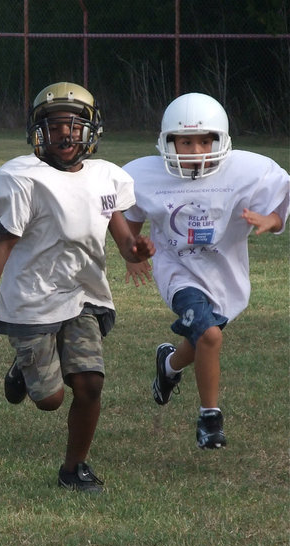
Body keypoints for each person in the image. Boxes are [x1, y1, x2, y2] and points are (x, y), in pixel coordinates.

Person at [0, 82, 155, 493]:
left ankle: (74, 469)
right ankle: (23, 367)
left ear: (91, 130)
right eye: (55, 126)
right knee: (49, 400)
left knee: (89, 384)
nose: (65, 134)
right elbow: (2, 245)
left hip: (82, 295)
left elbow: (121, 238)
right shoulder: (25, 178)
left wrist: (135, 249)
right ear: (38, 132)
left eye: (73, 125)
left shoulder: (105, 177)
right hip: (31, 300)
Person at [122, 92, 289, 450]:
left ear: (221, 140)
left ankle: (168, 365)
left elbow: (281, 202)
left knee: (200, 340)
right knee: (210, 337)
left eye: (204, 140)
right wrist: (132, 253)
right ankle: (209, 418)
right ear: (169, 142)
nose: (196, 150)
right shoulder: (145, 175)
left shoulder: (246, 171)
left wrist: (270, 220)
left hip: (223, 272)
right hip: (177, 270)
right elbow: (128, 215)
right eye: (186, 141)